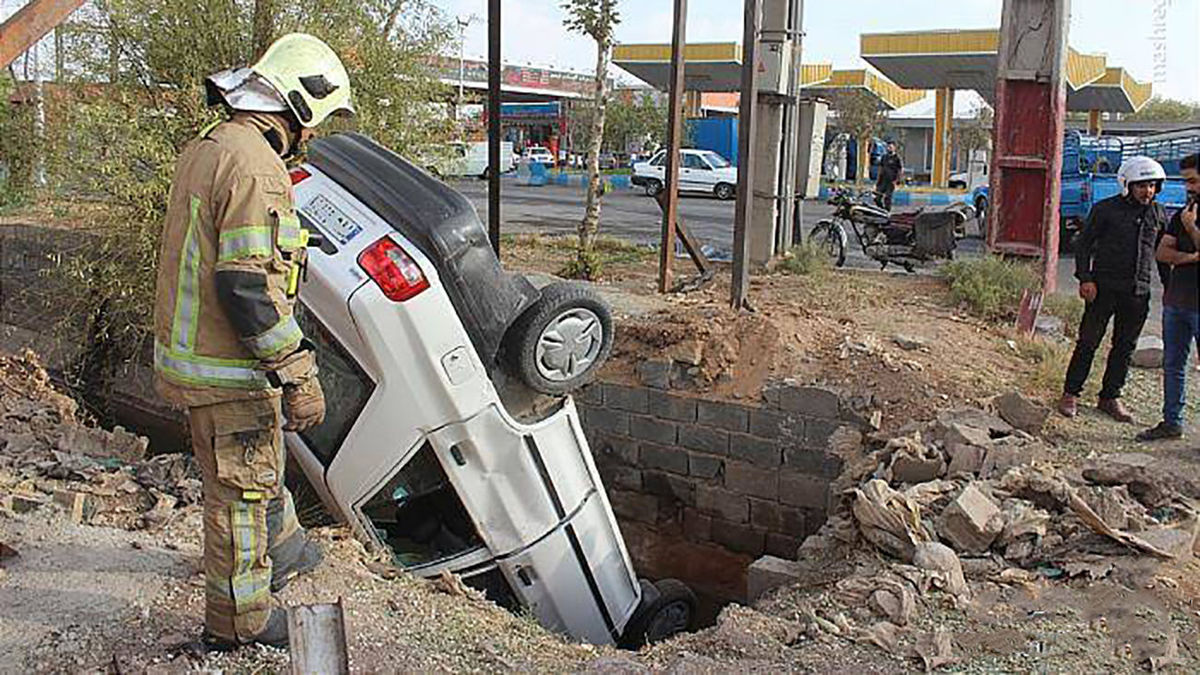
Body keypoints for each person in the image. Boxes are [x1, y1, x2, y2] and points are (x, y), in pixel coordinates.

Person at [152, 33, 353, 649]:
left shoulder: (211, 147)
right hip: (228, 368)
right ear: (296, 104)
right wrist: (298, 370)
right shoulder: (257, 167)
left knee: (259, 468)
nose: (311, 138)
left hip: (198, 358)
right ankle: (239, 625)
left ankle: (285, 549)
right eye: (312, 124)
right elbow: (246, 286)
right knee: (240, 493)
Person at [1059, 156, 1168, 422]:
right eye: (1142, 185)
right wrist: (1085, 278)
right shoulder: (1105, 209)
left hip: (1138, 292)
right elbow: (1084, 245)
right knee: (1088, 342)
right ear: (1127, 184)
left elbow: (1162, 253)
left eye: (1152, 186)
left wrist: (1170, 288)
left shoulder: (1158, 213)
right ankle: (1071, 393)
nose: (1148, 191)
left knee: (1125, 346)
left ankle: (1110, 397)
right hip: (1103, 289)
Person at [1138, 153, 1200, 441]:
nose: (1188, 187)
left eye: (1193, 180)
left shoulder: (1187, 218)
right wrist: (1190, 256)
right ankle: (1171, 421)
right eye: (1186, 181)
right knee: (1173, 365)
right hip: (1178, 302)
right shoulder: (1183, 212)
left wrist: (1191, 228)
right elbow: (1162, 252)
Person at [874, 141, 903, 210]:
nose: (889, 148)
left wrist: (897, 180)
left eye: (890, 147)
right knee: (877, 197)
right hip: (882, 181)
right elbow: (880, 169)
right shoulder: (884, 157)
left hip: (891, 181)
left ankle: (887, 211)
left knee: (887, 198)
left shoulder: (897, 158)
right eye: (888, 147)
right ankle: (880, 209)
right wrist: (878, 181)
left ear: (894, 148)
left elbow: (900, 170)